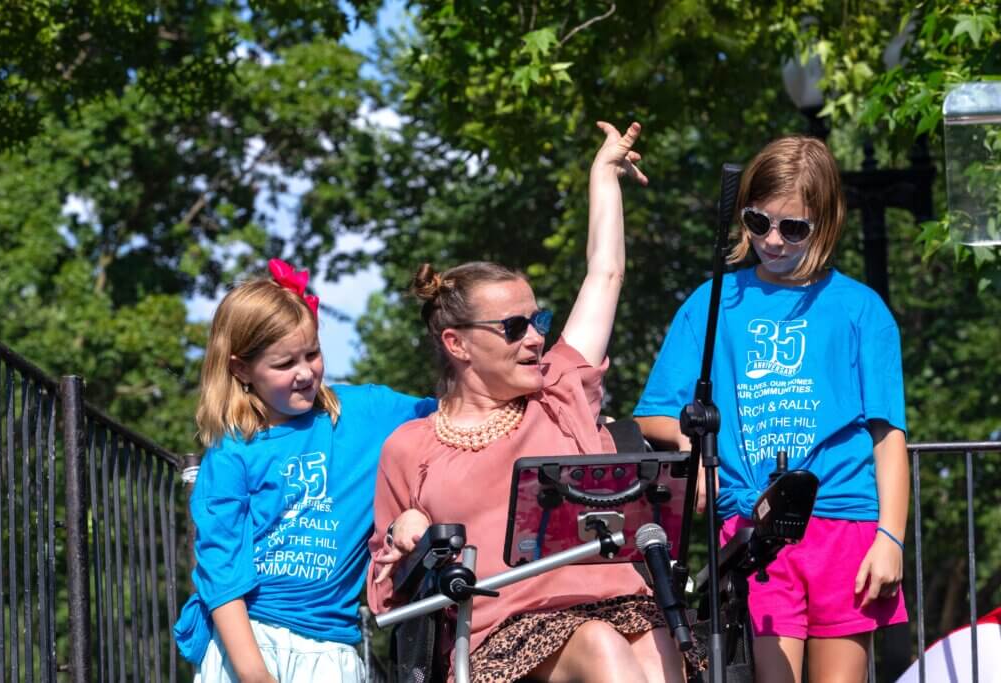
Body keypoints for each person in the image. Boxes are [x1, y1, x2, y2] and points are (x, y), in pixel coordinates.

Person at [367, 121, 692, 683]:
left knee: (655, 653)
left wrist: (603, 178)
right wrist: (405, 533)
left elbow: (605, 274)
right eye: (515, 326)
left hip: (621, 605)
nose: (536, 337)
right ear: (457, 343)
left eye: (538, 320)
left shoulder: (559, 389)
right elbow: (385, 598)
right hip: (507, 631)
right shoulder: (410, 446)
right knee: (601, 647)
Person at [634, 135, 910, 683]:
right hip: (753, 529)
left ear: (825, 224)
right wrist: (699, 453)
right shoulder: (714, 300)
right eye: (758, 223)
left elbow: (888, 436)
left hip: (846, 524)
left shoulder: (862, 310)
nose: (773, 240)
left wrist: (891, 538)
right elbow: (653, 415)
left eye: (794, 228)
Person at [173, 258, 436, 683]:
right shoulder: (231, 455)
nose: (304, 373)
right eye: (283, 364)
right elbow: (222, 577)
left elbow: (453, 422)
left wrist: (421, 503)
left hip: (332, 648)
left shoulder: (366, 413)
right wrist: (255, 675)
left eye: (312, 354)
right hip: (249, 645)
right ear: (241, 368)